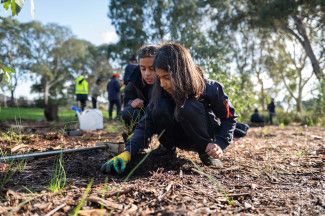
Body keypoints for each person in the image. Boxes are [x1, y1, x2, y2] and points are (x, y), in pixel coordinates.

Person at [101, 42, 237, 174]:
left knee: (188, 107)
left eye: (166, 77)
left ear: (182, 72)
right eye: (159, 77)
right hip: (179, 137)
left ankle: (206, 154)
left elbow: (229, 117)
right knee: (158, 107)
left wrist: (219, 143)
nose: (162, 83)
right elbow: (145, 124)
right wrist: (128, 152)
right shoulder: (160, 90)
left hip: (204, 140)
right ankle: (167, 149)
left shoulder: (211, 88)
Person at [121, 45, 158, 135]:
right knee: (127, 113)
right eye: (143, 69)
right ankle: (137, 138)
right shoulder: (133, 80)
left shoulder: (166, 80)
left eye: (152, 68)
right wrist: (132, 103)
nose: (147, 74)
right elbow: (126, 101)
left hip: (161, 115)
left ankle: (166, 145)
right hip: (144, 115)